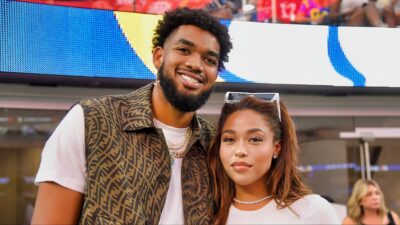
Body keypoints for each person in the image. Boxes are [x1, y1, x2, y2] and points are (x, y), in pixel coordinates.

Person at [31, 7, 232, 224]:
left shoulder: (217, 146)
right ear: (158, 56)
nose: (196, 65)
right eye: (184, 50)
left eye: (210, 60)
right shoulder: (91, 121)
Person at [208, 93, 340, 224]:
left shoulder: (312, 211)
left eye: (255, 139)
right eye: (229, 139)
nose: (240, 151)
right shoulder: (205, 214)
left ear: (276, 147)